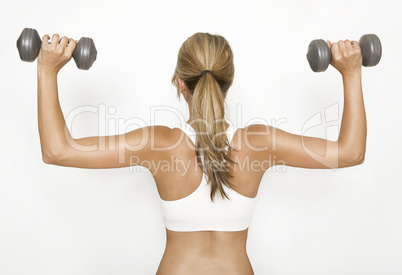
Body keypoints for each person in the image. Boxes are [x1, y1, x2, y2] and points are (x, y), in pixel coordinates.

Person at [37, 32, 366, 274]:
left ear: (180, 83)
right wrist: (351, 72)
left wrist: (47, 69)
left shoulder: (157, 144)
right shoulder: (259, 143)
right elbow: (349, 153)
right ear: (230, 80)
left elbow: (58, 151)